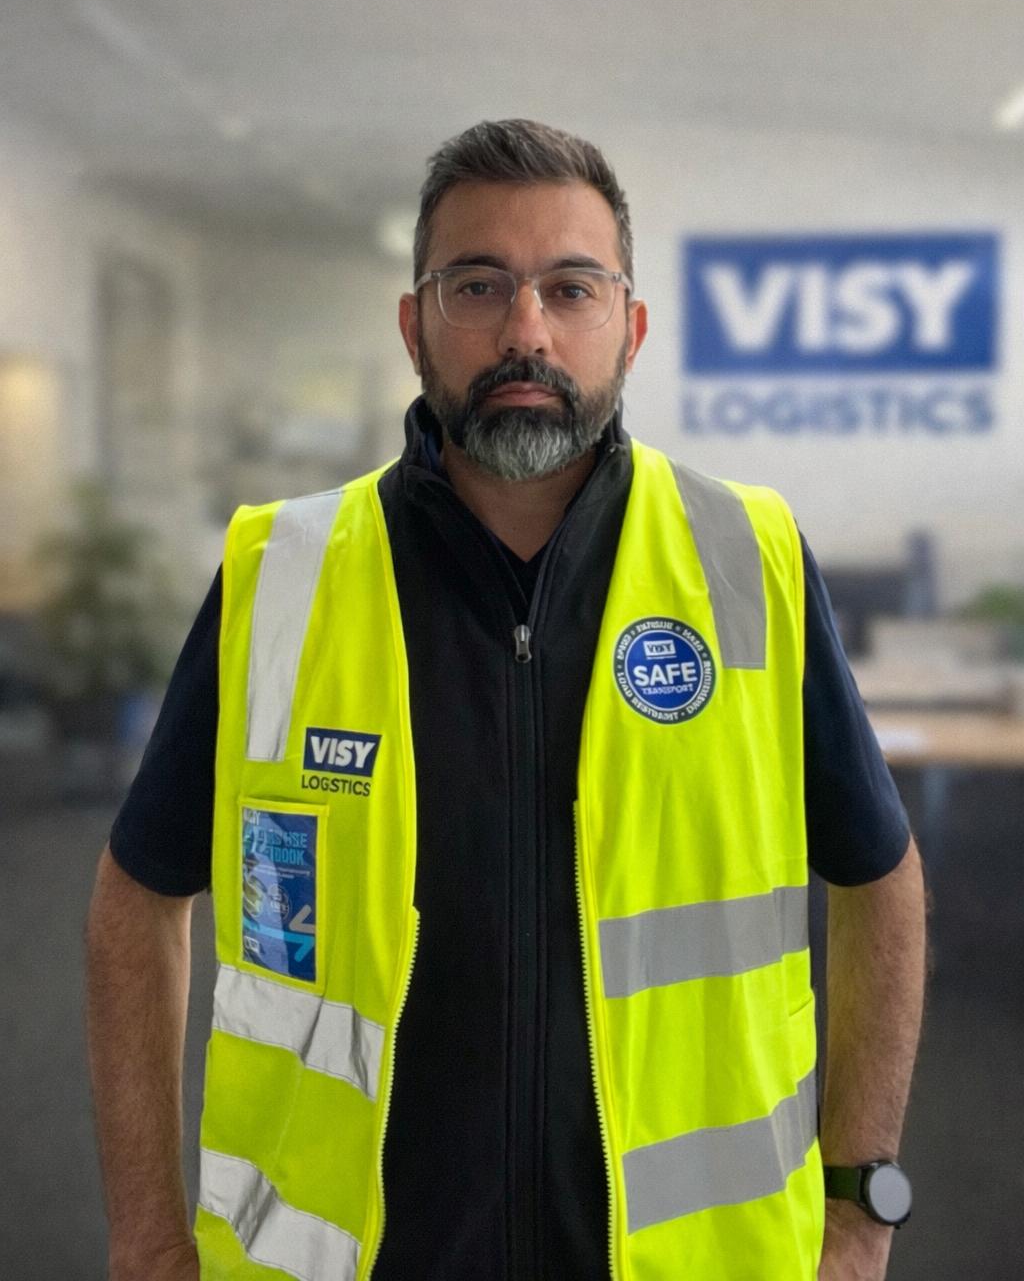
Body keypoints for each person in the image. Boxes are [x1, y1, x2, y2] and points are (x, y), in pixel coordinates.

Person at [87, 119, 926, 1281]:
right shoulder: (282, 573)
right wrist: (143, 1237)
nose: (525, 330)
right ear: (413, 322)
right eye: (477, 284)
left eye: (570, 288)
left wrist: (858, 1206)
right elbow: (137, 898)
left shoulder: (749, 560)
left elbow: (878, 881)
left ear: (628, 330)